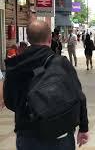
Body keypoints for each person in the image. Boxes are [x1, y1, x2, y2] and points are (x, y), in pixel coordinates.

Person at [3, 20, 89, 149]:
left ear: (28, 39)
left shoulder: (16, 65)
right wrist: (83, 127)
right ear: (50, 39)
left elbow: (9, 101)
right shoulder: (61, 63)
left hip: (27, 133)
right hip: (60, 133)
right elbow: (79, 96)